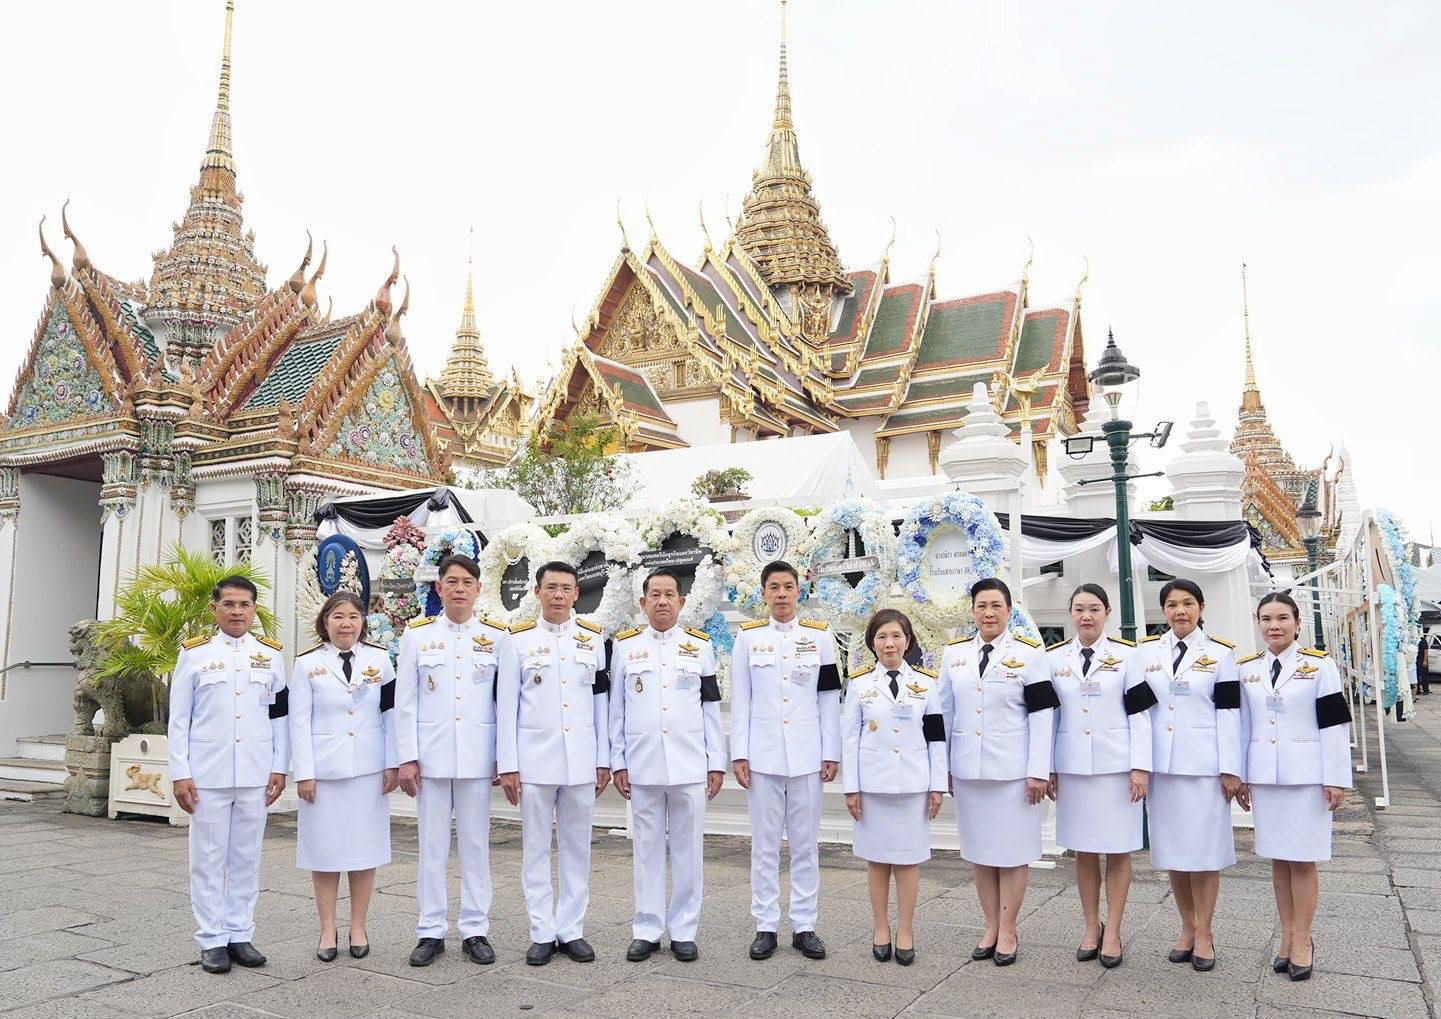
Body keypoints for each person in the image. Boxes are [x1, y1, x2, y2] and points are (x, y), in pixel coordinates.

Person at [168, 576, 289, 974]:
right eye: (230, 604)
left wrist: (280, 765)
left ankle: (239, 933)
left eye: (244, 605)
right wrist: (180, 772)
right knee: (207, 859)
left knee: (246, 857)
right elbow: (179, 719)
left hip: (255, 772)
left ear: (255, 609)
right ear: (215, 609)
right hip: (208, 774)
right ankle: (211, 938)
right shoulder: (194, 654)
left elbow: (279, 715)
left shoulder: (270, 655)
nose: (237, 612)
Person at [395, 554, 510, 967]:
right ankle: (430, 929)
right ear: (439, 588)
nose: (459, 589)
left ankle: (475, 928)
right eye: (452, 582)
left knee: (476, 845)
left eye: (467, 582)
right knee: (432, 846)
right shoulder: (418, 635)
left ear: (479, 590)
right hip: (432, 757)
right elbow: (405, 702)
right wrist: (407, 757)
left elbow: (504, 704)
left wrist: (503, 758)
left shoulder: (497, 637)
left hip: (478, 758)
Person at [608, 567, 727, 963]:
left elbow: (711, 708)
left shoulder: (700, 647)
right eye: (654, 595)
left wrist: (716, 762)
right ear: (643, 603)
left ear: (681, 601)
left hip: (689, 763)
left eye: (669, 594)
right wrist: (618, 761)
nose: (662, 601)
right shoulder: (625, 647)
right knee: (646, 849)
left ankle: (684, 930)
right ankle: (647, 928)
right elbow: (616, 710)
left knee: (688, 850)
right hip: (642, 764)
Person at [938, 577, 1057, 967]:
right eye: (981, 606)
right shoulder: (954, 654)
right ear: (973, 611)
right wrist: (943, 769)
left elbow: (1042, 716)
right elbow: (943, 714)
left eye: (996, 606)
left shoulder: (1030, 654)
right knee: (980, 852)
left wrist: (1038, 771)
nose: (988, 613)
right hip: (968, 771)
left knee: (1012, 852)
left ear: (1009, 610)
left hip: (1013, 773)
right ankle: (990, 925)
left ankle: (1008, 928)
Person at [497, 561, 611, 966]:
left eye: (566, 588)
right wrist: (508, 764)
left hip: (580, 759)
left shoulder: (593, 640)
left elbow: (601, 704)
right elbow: (506, 706)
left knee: (577, 848)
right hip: (534, 761)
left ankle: (571, 928)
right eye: (551, 588)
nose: (559, 595)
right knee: (536, 848)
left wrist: (603, 758)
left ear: (577, 594)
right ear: (537, 592)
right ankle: (542, 931)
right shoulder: (517, 641)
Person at [1237, 592, 1352, 981]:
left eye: (1282, 618)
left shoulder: (1319, 666)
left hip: (1306, 777)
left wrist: (1336, 777)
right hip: (1265, 777)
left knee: (1302, 859)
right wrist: (1243, 776)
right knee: (1278, 858)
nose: (1274, 626)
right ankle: (1286, 935)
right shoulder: (1247, 669)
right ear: (1258, 624)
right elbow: (1244, 727)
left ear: (1298, 623)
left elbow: (1334, 724)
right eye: (1266, 619)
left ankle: (1303, 938)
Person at [730, 560, 841, 962]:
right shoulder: (748, 639)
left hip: (807, 755)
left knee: (805, 845)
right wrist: (739, 753)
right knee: (764, 845)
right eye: (774, 587)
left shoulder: (820, 637)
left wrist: (831, 751)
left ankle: (804, 925)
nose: (781, 594)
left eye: (788, 586)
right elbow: (741, 700)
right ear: (763, 593)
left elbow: (829, 698)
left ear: (798, 592)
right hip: (762, 756)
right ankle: (765, 925)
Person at [1135, 578, 1242, 972]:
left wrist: (1231, 768)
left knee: (1204, 853)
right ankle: (1187, 926)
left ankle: (1206, 931)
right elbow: (1138, 713)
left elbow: (1229, 714)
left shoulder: (1220, 654)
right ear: (1163, 611)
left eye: (1187, 603)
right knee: (1174, 854)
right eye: (1172, 604)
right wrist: (1140, 764)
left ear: (1201, 608)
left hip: (1204, 769)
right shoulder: (1145, 653)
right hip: (1163, 769)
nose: (1180, 611)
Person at [1045, 584, 1154, 969]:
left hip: (1116, 769)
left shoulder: (1127, 656)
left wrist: (1140, 766)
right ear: (1070, 614)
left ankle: (1114, 931)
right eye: (1079, 609)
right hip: (1073, 768)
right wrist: (1048, 767)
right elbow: (1050, 718)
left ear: (1107, 613)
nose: (1086, 616)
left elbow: (1141, 715)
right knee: (1084, 850)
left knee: (1118, 849)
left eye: (1094, 609)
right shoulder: (1054, 658)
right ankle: (1092, 926)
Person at [289, 592, 399, 961]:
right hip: (323, 774)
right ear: (325, 622)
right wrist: (304, 773)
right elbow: (298, 722)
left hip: (369, 770)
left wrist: (392, 763)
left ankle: (358, 926)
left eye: (353, 616)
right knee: (324, 853)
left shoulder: (380, 660)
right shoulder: (307, 664)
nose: (346, 623)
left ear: (363, 622)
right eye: (338, 616)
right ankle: (327, 929)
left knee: (364, 851)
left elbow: (391, 714)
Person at [841, 609, 947, 966]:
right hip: (873, 786)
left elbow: (936, 738)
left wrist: (937, 786)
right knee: (877, 861)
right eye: (882, 637)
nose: (889, 643)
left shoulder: (926, 684)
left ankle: (905, 929)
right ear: (872, 643)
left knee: (908, 861)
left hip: (914, 785)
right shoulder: (859, 685)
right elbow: (849, 740)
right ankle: (880, 927)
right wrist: (851, 788)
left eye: (896, 636)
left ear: (908, 641)